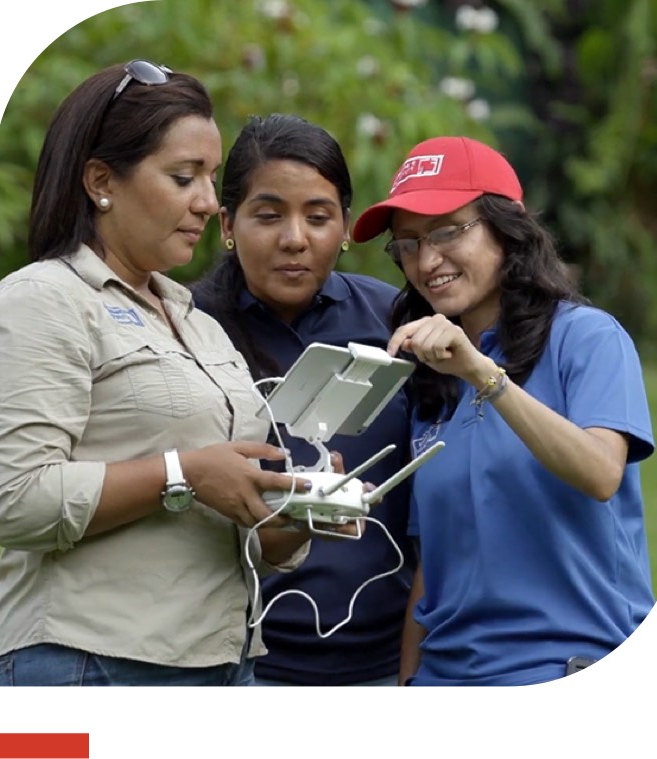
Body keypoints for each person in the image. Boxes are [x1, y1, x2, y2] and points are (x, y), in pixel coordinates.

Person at [0, 60, 324, 687]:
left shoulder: (195, 320)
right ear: (100, 181)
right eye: (183, 177)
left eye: (210, 178)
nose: (206, 201)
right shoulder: (44, 300)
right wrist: (183, 473)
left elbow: (220, 523)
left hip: (223, 665)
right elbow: (10, 500)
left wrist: (292, 513)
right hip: (90, 664)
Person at [351, 135, 656, 686]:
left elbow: (601, 472)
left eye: (447, 231)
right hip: (445, 680)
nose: (427, 260)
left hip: (566, 668)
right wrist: (407, 684)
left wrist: (482, 375)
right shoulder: (433, 375)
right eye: (408, 244)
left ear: (507, 226)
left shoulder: (586, 338)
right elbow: (434, 560)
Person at [191, 114, 417, 686]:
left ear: (344, 225)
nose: (295, 238)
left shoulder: (396, 323)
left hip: (389, 659)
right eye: (268, 216)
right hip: (235, 662)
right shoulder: (185, 328)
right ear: (227, 225)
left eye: (318, 218)